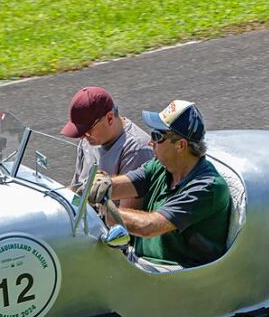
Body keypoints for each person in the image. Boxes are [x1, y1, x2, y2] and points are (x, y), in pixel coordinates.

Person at [88, 99, 231, 268]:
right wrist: (102, 183)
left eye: (157, 136)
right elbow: (123, 184)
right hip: (142, 263)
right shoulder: (161, 166)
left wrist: (103, 210)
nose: (150, 141)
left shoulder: (207, 187)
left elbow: (149, 226)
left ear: (180, 145)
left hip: (174, 274)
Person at [60, 87, 153, 210]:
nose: (83, 136)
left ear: (109, 118)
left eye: (87, 130)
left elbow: (126, 219)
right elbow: (76, 188)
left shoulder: (137, 150)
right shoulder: (89, 140)